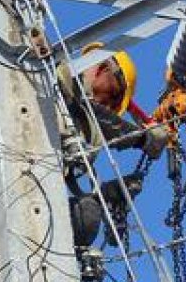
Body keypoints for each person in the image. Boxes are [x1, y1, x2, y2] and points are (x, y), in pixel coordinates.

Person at [55, 45, 170, 247]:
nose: (110, 106)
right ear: (103, 68)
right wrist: (142, 139)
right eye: (114, 95)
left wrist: (106, 196)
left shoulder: (82, 126)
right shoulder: (55, 76)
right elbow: (99, 114)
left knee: (87, 216)